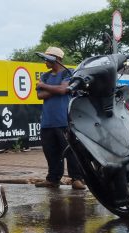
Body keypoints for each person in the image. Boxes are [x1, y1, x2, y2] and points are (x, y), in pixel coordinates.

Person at [35, 46, 86, 190]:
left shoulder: (68, 73)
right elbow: (40, 95)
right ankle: (53, 179)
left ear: (56, 59)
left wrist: (45, 86)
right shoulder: (45, 75)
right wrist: (57, 89)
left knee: (70, 151)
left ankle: (77, 178)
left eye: (47, 58)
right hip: (47, 121)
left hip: (64, 120)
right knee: (51, 152)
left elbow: (64, 90)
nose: (45, 61)